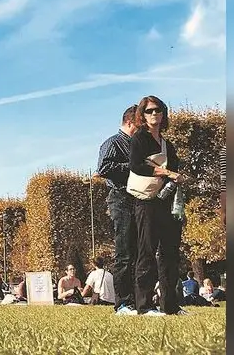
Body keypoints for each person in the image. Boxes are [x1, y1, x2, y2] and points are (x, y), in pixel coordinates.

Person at [129, 95, 186, 316]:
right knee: (147, 250)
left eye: (158, 110)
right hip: (145, 201)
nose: (155, 114)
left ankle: (170, 305)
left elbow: (175, 167)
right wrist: (165, 172)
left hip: (164, 199)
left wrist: (177, 177)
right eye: (150, 111)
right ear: (142, 115)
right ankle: (144, 305)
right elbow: (136, 166)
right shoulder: (139, 139)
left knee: (170, 251)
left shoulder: (166, 143)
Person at [97, 104, 140, 315]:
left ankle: (138, 301)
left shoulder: (137, 144)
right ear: (130, 122)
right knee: (124, 252)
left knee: (140, 251)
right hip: (121, 197)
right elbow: (103, 168)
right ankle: (123, 302)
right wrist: (132, 165)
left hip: (138, 197)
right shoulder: (113, 143)